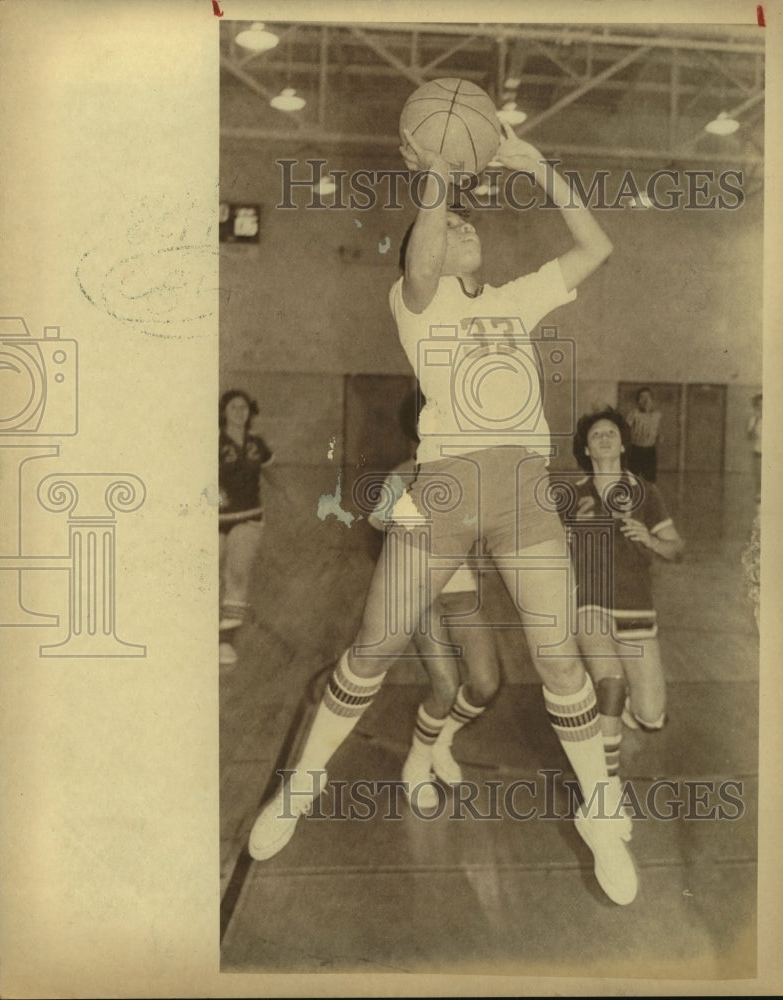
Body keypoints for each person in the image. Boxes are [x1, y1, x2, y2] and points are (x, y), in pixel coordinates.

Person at [249, 124, 639, 905]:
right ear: (415, 262)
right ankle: (297, 786)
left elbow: (596, 247)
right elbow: (425, 237)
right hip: (446, 488)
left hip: (524, 487)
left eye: (467, 223)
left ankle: (600, 812)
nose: (462, 228)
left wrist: (540, 165)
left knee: (558, 656)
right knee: (374, 643)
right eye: (447, 225)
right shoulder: (413, 302)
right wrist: (436, 175)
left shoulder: (513, 298)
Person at [368, 392, 502, 811]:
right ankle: (417, 761)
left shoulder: (466, 476)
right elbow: (376, 533)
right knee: (444, 685)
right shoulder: (402, 475)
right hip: (419, 592)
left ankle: (441, 739)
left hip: (461, 588)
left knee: (485, 683)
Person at [565, 408, 684, 780]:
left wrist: (650, 539)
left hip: (636, 609)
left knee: (651, 716)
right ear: (586, 449)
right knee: (610, 680)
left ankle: (622, 710)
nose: (604, 437)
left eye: (611, 433)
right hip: (589, 606)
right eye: (596, 434)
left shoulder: (645, 493)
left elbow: (677, 549)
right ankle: (604, 784)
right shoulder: (572, 496)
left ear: (622, 444)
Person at [218, 389, 274, 666]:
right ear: (223, 413)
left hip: (249, 516)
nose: (240, 412)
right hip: (213, 519)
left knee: (237, 576)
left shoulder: (257, 444)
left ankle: (226, 641)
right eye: (233, 408)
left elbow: (272, 472)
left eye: (244, 408)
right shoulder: (212, 442)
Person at [626, 387, 662, 483]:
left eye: (648, 397)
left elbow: (658, 430)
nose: (645, 400)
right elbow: (625, 430)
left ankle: (648, 497)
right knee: (632, 480)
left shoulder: (657, 415)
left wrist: (659, 436)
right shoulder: (634, 414)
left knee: (650, 480)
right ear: (638, 401)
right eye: (642, 397)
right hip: (636, 450)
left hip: (650, 451)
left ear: (652, 400)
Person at [746, 393, 762, 502]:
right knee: (759, 478)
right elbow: (749, 437)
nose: (761, 408)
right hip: (759, 452)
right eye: (758, 405)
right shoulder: (753, 420)